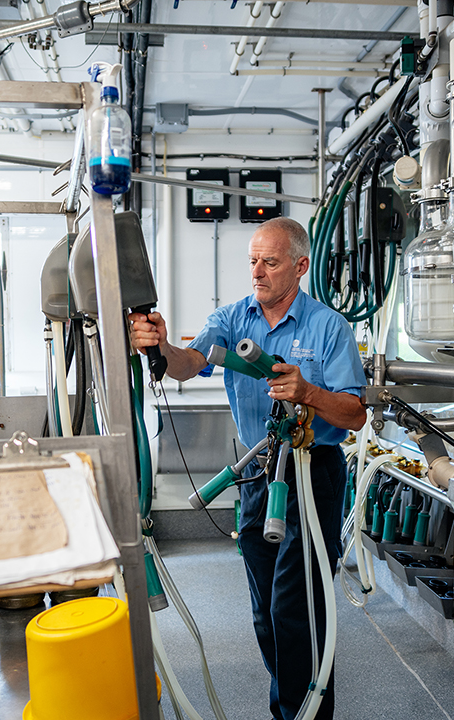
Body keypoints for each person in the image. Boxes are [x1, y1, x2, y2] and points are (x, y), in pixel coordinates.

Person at [128, 216, 368, 720]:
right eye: (253, 261)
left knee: (295, 605)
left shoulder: (329, 327)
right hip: (257, 471)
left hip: (311, 471)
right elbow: (189, 363)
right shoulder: (233, 319)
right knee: (264, 611)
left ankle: (302, 713)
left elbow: (353, 413)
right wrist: (160, 346)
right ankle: (293, 699)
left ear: (300, 266)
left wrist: (307, 393)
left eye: (271, 261)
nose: (257, 271)